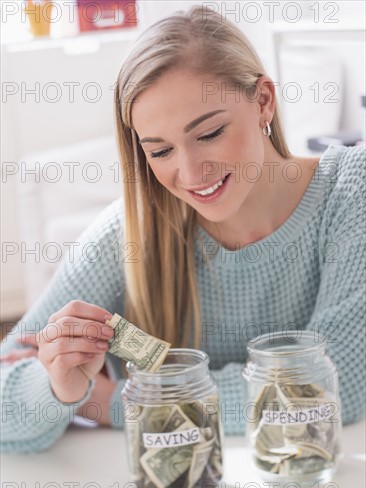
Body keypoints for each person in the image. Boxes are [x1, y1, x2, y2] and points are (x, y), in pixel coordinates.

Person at [1, 6, 365, 453]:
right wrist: (59, 388)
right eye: (160, 151)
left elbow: (337, 384)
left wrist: (116, 401)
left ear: (264, 101)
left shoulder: (352, 191)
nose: (191, 173)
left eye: (209, 133)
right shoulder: (131, 231)